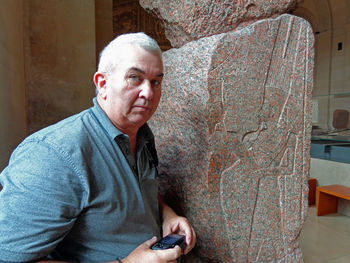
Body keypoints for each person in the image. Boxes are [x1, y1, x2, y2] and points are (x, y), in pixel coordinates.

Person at [0, 32, 196, 262]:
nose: (148, 93)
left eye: (156, 81)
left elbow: (132, 192)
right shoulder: (53, 155)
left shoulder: (140, 136)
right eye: (135, 78)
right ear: (102, 84)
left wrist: (167, 214)